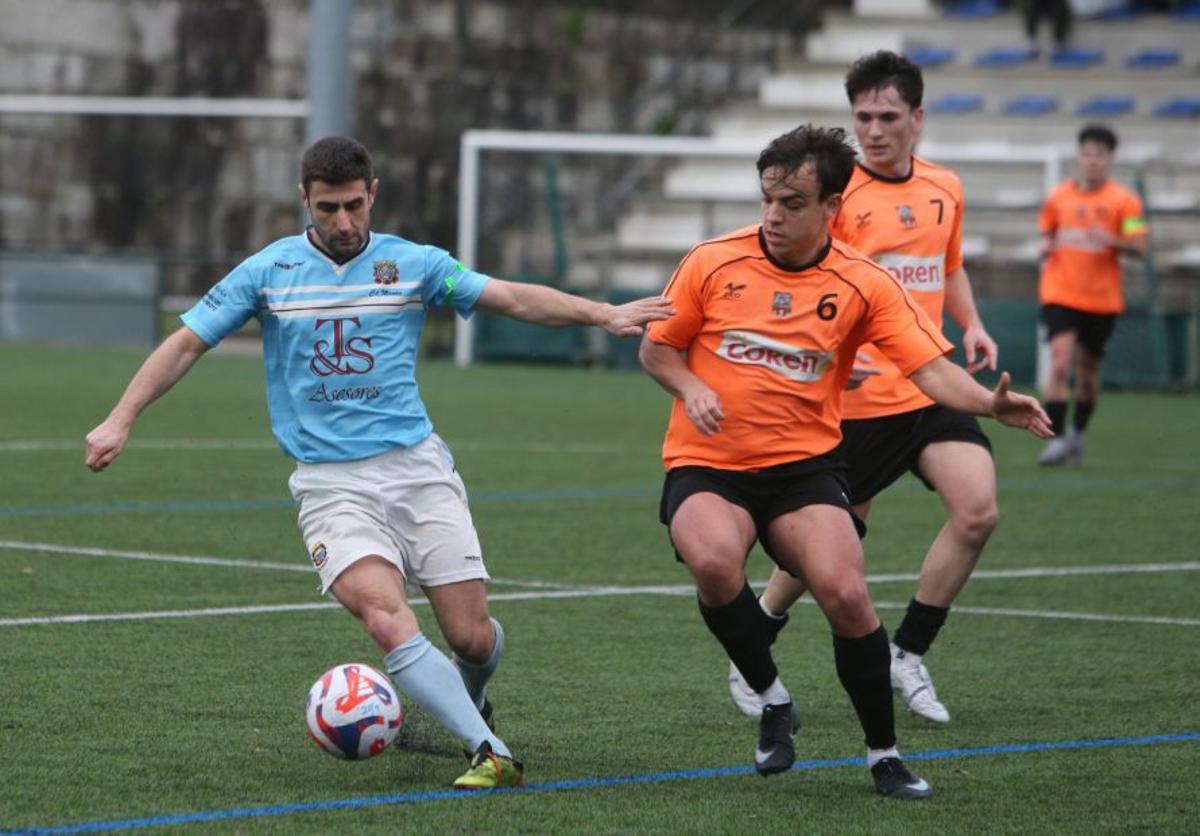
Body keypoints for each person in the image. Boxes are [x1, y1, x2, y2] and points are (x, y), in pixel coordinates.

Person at [84, 136, 674, 790]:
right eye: (328, 208)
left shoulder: (414, 264)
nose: (343, 223)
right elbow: (187, 342)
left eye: (355, 206)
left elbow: (508, 297)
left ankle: (468, 698)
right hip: (330, 485)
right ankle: (489, 750)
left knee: (473, 639)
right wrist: (121, 416)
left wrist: (602, 313)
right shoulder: (268, 272)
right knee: (386, 615)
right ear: (304, 199)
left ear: (374, 196)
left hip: (418, 472)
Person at [639, 124, 1050, 799]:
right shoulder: (711, 261)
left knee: (846, 593)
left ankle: (883, 754)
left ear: (833, 207)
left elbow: (930, 369)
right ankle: (774, 700)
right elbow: (657, 348)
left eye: (793, 202)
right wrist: (692, 386)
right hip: (708, 463)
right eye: (768, 198)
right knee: (714, 562)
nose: (773, 215)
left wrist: (986, 404)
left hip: (804, 469)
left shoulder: (863, 282)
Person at [726, 50, 999, 726]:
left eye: (887, 116)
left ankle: (909, 653)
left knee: (978, 510)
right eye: (863, 117)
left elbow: (947, 264)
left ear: (917, 118)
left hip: (929, 386)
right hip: (857, 404)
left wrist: (974, 325)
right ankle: (758, 631)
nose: (874, 130)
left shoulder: (945, 188)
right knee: (827, 544)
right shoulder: (836, 200)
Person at [1036, 124, 1148, 466]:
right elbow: (1047, 233)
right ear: (1079, 156)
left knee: (1087, 376)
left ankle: (1077, 436)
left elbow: (1140, 247)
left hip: (1102, 300)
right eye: (1087, 153)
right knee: (1058, 363)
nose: (1092, 160)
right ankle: (1055, 440)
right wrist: (1046, 245)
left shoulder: (1125, 202)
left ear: (1109, 159)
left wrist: (1112, 240)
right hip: (1060, 293)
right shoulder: (1058, 197)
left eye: (1099, 154)